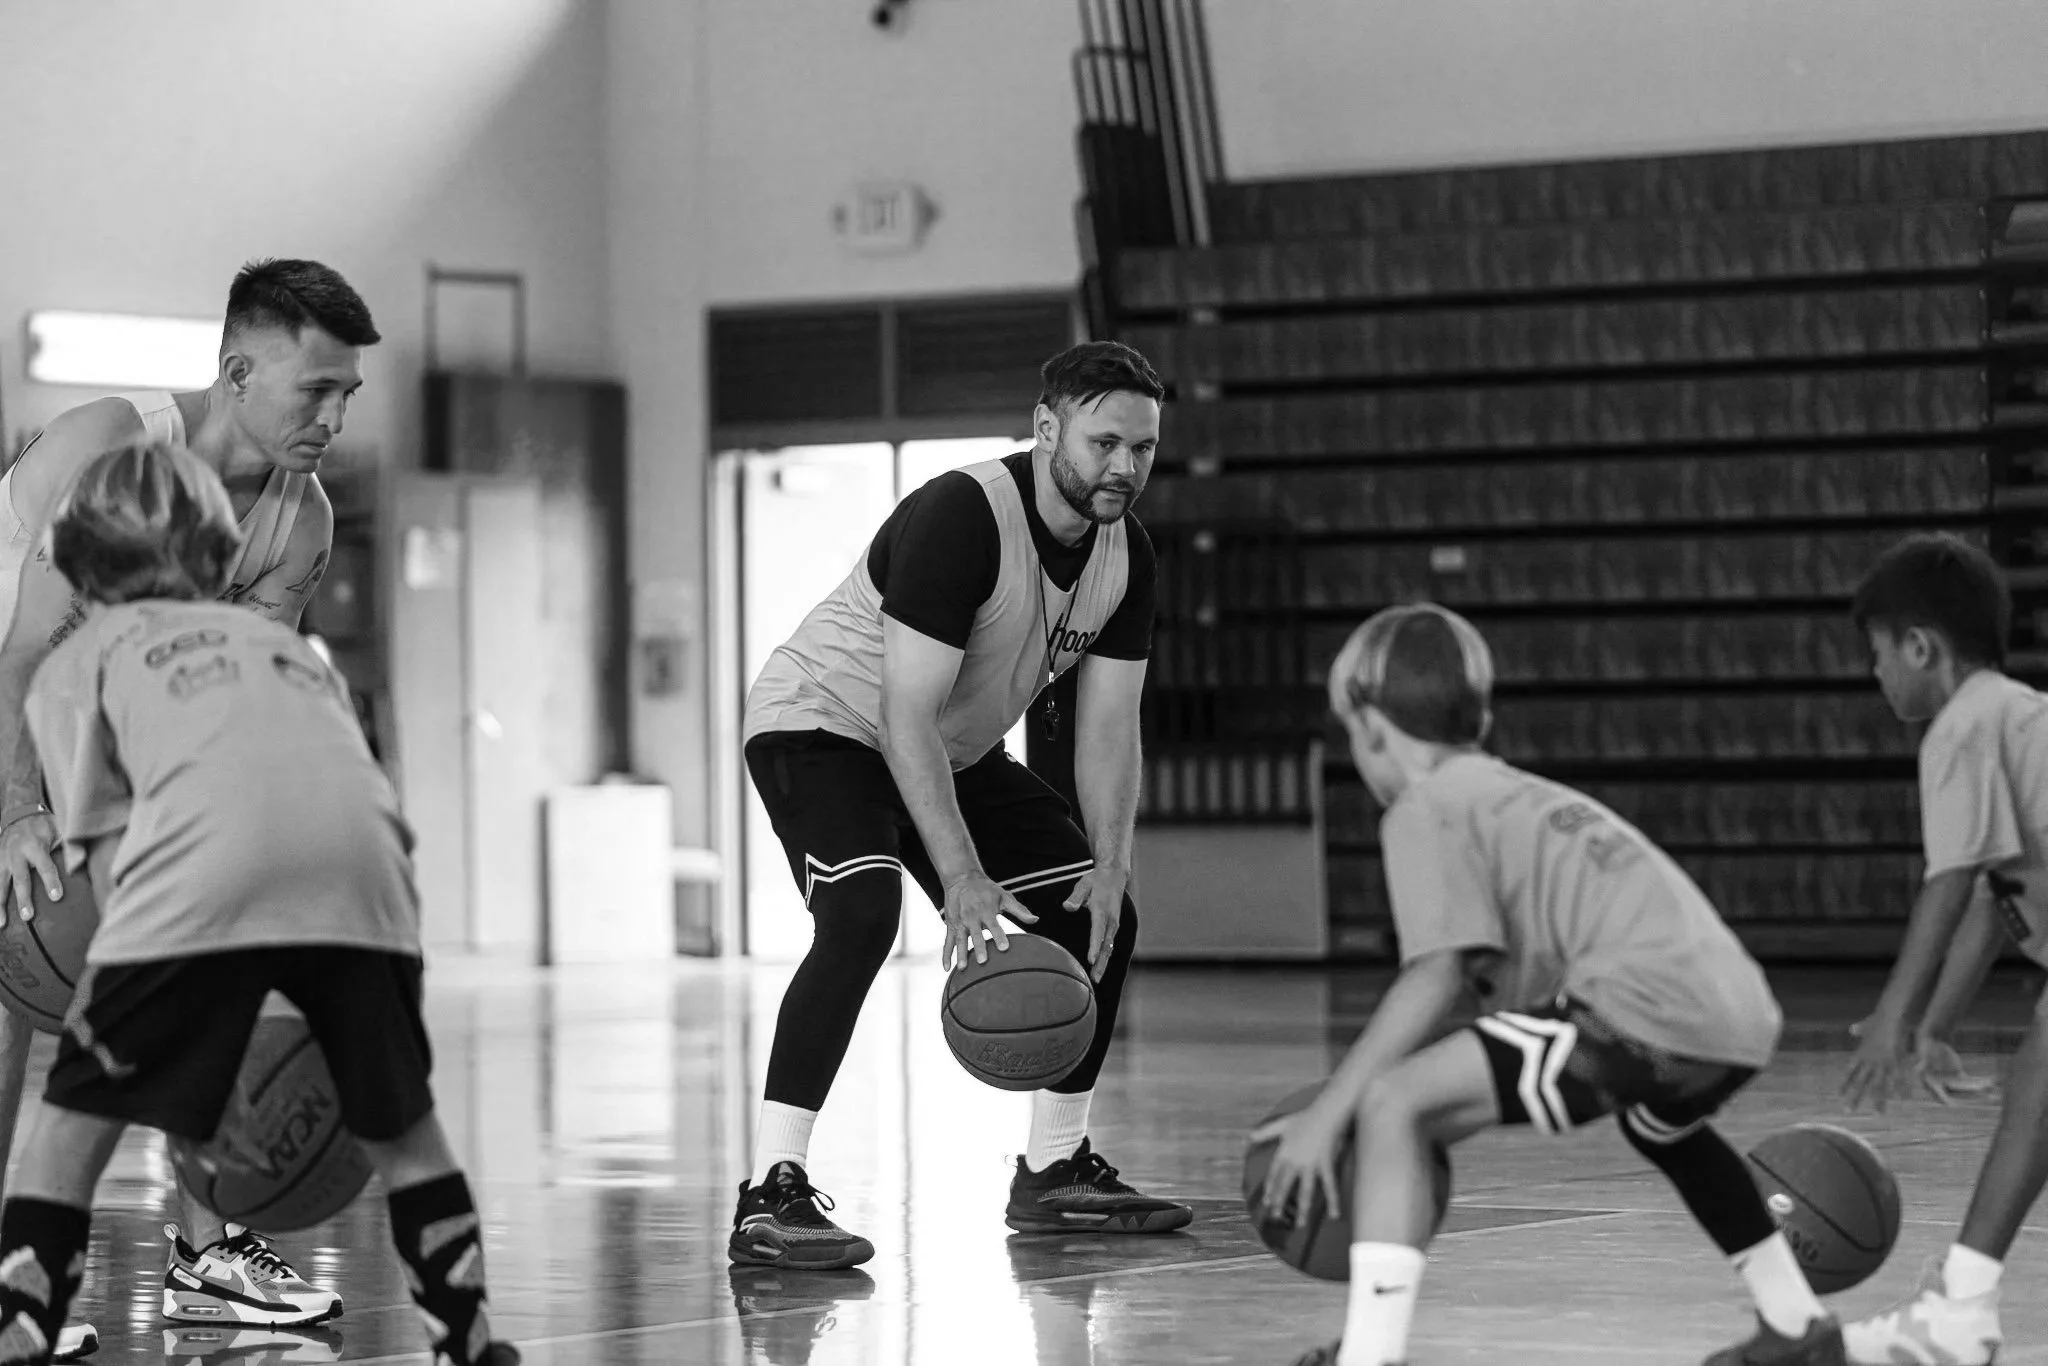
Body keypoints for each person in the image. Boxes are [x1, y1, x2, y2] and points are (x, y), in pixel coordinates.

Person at [0, 440, 517, 1366]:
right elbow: (350, 790)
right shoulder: (293, 651)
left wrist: (125, 991)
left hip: (208, 881)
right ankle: (467, 1337)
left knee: (66, 1129)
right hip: (370, 896)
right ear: (215, 560)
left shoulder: (86, 666)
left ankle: (19, 1331)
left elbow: (132, 846)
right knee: (406, 1133)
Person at [1258, 603, 1841, 1366]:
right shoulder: (1509, 793)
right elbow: (1475, 989)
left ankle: (1369, 1356)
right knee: (1660, 1125)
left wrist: (1329, 1115)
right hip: (1736, 1013)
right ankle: (1797, 1323)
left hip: (1642, 1011)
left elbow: (1434, 975)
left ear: (1367, 725)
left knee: (1392, 1105)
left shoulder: (1423, 807)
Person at [732, 340, 1191, 1268]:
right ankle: (771, 1192)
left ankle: (1055, 1171)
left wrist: (1111, 866)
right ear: (1045, 427)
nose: (1124, 468)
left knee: (1100, 910)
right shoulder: (963, 515)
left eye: (1142, 449)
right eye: (1105, 443)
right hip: (825, 725)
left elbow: (1109, 731)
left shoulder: (1126, 556)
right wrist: (963, 880)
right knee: (861, 914)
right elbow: (903, 718)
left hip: (953, 746)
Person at [0, 258, 371, 1345]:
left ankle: (207, 1254)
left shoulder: (299, 524)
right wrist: (16, 815)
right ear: (237, 369)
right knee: (15, 968)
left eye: (349, 393)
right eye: (317, 390)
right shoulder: (117, 450)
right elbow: (20, 657)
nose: (335, 417)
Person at [1839, 532, 2045, 1365]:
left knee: (2036, 1100)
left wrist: (1893, 1018)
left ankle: (1961, 1314)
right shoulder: (2013, 717)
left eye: (1879, 653)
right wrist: (1935, 1026)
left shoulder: (1964, 725)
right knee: (2034, 1099)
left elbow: (1950, 884)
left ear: (1921, 646)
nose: (1876, 673)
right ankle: (1962, 1304)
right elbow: (1996, 906)